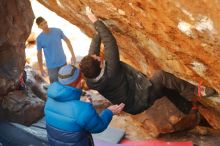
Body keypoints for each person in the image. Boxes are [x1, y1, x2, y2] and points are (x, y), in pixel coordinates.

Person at [79, 7, 217, 115]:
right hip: (139, 101)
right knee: (160, 77)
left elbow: (93, 51)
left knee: (161, 87)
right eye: (98, 58)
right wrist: (96, 21)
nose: (97, 55)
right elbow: (110, 42)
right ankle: (197, 90)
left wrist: (98, 31)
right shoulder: (111, 72)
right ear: (101, 64)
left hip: (130, 102)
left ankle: (187, 107)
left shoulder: (91, 76)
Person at [44, 64, 125, 146]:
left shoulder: (49, 100)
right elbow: (99, 126)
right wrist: (109, 112)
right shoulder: (83, 109)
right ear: (79, 82)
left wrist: (85, 108)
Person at [36, 16, 77, 83]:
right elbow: (39, 54)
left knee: (66, 83)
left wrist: (73, 55)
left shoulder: (57, 31)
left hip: (63, 63)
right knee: (55, 86)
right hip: (51, 67)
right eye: (42, 25)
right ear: (39, 27)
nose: (45, 25)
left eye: (45, 22)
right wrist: (41, 68)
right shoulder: (39, 39)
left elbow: (67, 41)